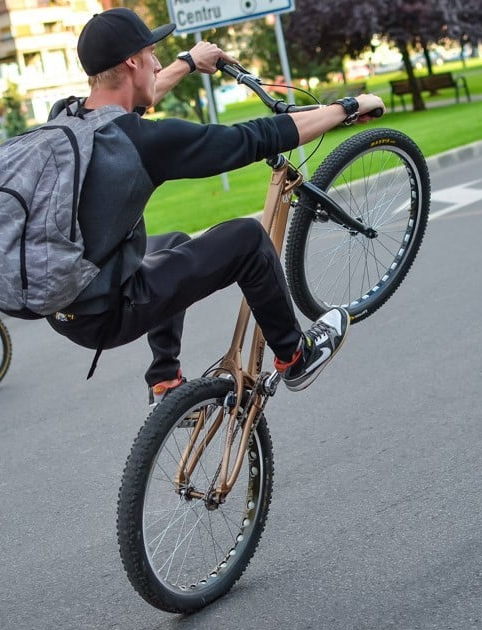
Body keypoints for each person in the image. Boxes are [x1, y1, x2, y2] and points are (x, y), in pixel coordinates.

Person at [45, 8, 385, 404]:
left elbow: (125, 105)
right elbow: (251, 138)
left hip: (63, 301)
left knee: (171, 241)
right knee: (246, 238)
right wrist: (347, 107)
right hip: (104, 312)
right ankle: (295, 355)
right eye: (152, 55)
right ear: (132, 62)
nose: (158, 64)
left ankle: (165, 381)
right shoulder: (142, 145)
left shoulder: (67, 118)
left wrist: (188, 64)